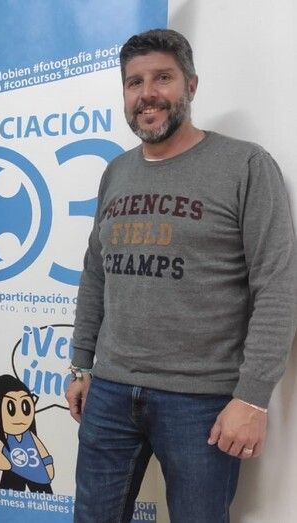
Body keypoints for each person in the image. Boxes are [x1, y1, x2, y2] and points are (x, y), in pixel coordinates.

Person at [65, 28, 297, 522]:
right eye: (134, 82)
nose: (147, 94)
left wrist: (253, 399)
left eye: (163, 78)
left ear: (191, 84)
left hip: (202, 401)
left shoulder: (245, 165)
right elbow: (95, 274)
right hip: (110, 391)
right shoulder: (116, 172)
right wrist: (81, 364)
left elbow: (277, 287)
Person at [0, 374, 54, 493]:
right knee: (8, 497)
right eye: (11, 409)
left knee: (45, 497)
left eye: (25, 407)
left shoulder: (30, 436)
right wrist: (2, 462)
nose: (19, 416)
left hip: (38, 473)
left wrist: (48, 465)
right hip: (13, 471)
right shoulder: (3, 437)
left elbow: (43, 453)